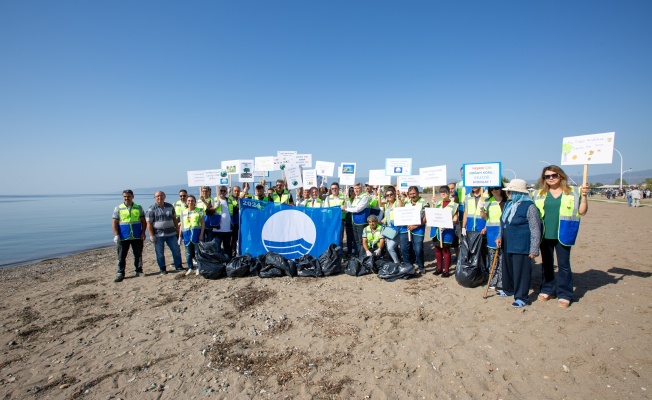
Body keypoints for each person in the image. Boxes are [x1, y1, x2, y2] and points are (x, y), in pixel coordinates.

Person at [534, 166, 589, 308]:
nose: (551, 178)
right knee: (547, 264)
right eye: (547, 176)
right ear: (544, 178)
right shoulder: (538, 193)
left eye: (554, 175)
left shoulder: (573, 193)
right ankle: (548, 289)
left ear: (561, 176)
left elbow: (582, 212)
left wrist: (584, 197)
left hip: (563, 233)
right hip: (544, 234)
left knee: (564, 265)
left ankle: (565, 294)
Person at [495, 179, 541, 308]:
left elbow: (535, 229)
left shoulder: (530, 206)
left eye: (511, 192)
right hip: (507, 243)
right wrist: (500, 236)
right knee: (507, 268)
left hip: (521, 244)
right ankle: (508, 289)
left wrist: (534, 249)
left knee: (521, 271)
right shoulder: (509, 204)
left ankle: (521, 297)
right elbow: (503, 223)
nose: (508, 194)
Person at [112, 190, 146, 282]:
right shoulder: (118, 208)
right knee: (121, 256)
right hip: (123, 236)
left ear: (132, 196)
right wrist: (116, 235)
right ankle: (120, 273)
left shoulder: (139, 208)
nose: (126, 198)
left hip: (136, 235)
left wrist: (143, 232)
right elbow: (114, 222)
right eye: (125, 196)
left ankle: (139, 271)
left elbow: (143, 221)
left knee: (138, 255)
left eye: (128, 196)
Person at [146, 191, 183, 274]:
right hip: (158, 234)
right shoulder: (151, 209)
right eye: (157, 196)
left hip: (171, 233)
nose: (160, 197)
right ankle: (162, 268)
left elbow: (174, 219)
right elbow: (149, 223)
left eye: (161, 196)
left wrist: (177, 229)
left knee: (176, 250)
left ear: (165, 196)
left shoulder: (170, 206)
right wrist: (151, 235)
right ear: (154, 198)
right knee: (160, 253)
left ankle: (178, 265)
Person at [399, 186, 429, 274]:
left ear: (418, 193)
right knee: (404, 248)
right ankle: (408, 266)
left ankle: (421, 266)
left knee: (418, 249)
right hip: (406, 228)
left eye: (414, 193)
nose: (412, 195)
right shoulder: (406, 202)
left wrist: (415, 226)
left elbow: (425, 218)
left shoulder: (424, 202)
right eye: (410, 194)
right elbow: (401, 212)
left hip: (418, 229)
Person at [482, 186, 507, 290]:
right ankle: (493, 280)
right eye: (492, 188)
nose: (495, 190)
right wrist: (481, 209)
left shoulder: (507, 202)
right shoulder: (488, 201)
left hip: (504, 231)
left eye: (497, 188)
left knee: (502, 258)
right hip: (492, 232)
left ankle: (502, 282)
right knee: (492, 258)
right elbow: (485, 217)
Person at [430, 186, 458, 277]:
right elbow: (432, 215)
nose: (443, 193)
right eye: (441, 191)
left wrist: (446, 225)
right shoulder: (437, 203)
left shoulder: (454, 205)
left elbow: (455, 219)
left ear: (449, 192)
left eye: (445, 191)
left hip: (447, 231)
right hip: (436, 230)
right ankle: (439, 268)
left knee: (446, 249)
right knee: (437, 249)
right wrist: (432, 204)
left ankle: (446, 270)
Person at [342, 183, 370, 258]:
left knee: (361, 241)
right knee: (356, 241)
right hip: (354, 222)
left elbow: (358, 209)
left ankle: (362, 257)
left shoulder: (364, 197)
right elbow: (350, 208)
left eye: (358, 188)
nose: (356, 190)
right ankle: (359, 255)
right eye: (355, 188)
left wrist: (346, 208)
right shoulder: (356, 197)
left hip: (362, 222)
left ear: (361, 188)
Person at [179, 195, 204, 276]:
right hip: (186, 235)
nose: (190, 202)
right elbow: (182, 225)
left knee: (197, 252)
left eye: (192, 200)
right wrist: (179, 236)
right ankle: (190, 267)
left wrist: (201, 234)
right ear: (186, 202)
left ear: (195, 202)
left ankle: (198, 268)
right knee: (188, 253)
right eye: (189, 200)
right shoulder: (183, 212)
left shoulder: (199, 211)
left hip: (196, 234)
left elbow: (203, 224)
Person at [380, 186, 402, 263]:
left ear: (394, 194)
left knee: (390, 248)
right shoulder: (386, 205)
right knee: (388, 248)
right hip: (388, 229)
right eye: (387, 195)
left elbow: (401, 208)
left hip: (397, 229)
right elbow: (386, 217)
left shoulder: (397, 203)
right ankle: (395, 262)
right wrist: (381, 221)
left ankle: (397, 263)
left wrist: (399, 197)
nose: (389, 196)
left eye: (391, 194)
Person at [213, 185, 234, 257]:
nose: (222, 192)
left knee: (227, 248)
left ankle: (227, 263)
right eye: (221, 190)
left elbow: (236, 206)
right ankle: (218, 263)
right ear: (218, 191)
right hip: (217, 229)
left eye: (224, 191)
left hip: (228, 229)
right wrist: (214, 208)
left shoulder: (229, 200)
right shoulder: (214, 200)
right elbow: (208, 212)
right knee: (217, 248)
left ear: (226, 192)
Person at [324, 182, 346, 250]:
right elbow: (326, 209)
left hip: (341, 220)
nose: (334, 190)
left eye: (335, 188)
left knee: (340, 237)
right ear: (330, 189)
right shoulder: (328, 198)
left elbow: (346, 209)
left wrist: (344, 208)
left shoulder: (343, 197)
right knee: (332, 237)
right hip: (331, 221)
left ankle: (340, 253)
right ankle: (332, 253)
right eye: (332, 188)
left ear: (338, 189)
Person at [228, 186, 242, 257]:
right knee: (233, 240)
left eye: (238, 191)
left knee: (239, 239)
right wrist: (237, 204)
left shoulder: (241, 199)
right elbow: (232, 210)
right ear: (232, 191)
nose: (236, 192)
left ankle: (239, 253)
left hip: (240, 222)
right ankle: (232, 254)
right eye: (235, 191)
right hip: (232, 223)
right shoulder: (230, 199)